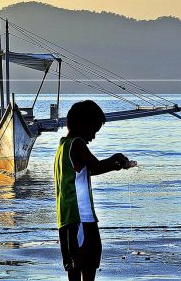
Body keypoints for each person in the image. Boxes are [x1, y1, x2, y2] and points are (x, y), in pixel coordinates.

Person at [54, 100, 131, 281]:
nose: (93, 137)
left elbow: (90, 170)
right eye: (93, 130)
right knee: (88, 263)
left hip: (65, 218)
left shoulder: (62, 146)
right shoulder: (78, 143)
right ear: (81, 125)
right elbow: (95, 165)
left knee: (74, 267)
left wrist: (114, 166)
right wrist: (115, 159)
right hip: (81, 217)